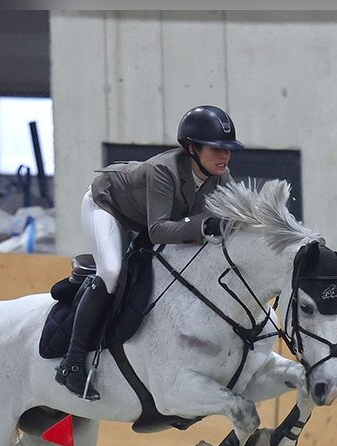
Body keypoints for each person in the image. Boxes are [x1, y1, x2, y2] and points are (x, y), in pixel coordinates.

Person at [56, 104, 244, 400]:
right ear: (192, 149)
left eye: (228, 149)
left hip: (143, 216)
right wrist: (204, 225)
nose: (225, 156)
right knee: (111, 271)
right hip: (107, 206)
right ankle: (72, 363)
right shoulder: (163, 171)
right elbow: (158, 230)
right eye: (216, 149)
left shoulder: (221, 175)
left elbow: (231, 217)